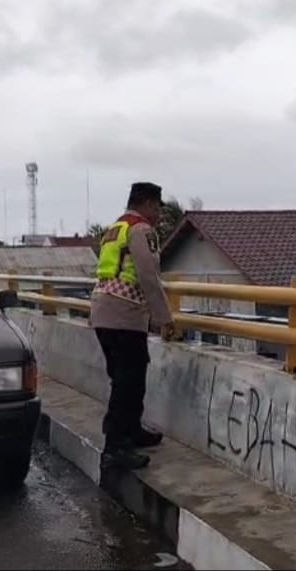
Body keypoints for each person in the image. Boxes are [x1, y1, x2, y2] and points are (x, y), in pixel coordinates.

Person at [89, 181, 175, 470]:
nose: (159, 216)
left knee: (124, 378)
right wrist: (165, 318)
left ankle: (131, 431)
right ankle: (116, 446)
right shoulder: (141, 230)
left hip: (103, 310)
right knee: (129, 381)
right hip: (125, 313)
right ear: (148, 204)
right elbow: (148, 276)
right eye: (158, 209)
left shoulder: (115, 228)